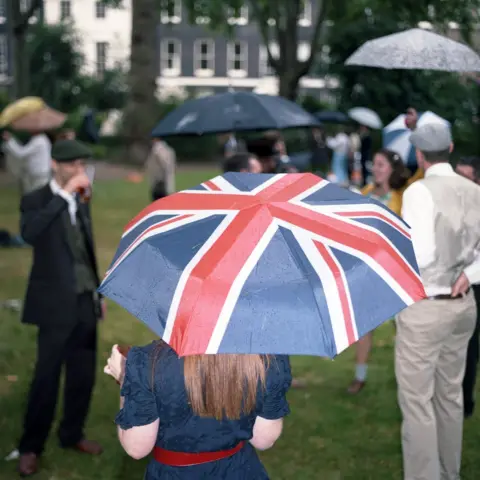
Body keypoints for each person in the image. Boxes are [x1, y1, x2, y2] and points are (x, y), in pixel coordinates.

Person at [396, 124, 480, 480]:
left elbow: (422, 254)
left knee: (418, 404)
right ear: (449, 146)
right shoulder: (473, 188)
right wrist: (473, 273)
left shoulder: (419, 192)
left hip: (426, 306)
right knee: (450, 396)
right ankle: (450, 473)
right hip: (463, 306)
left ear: (418, 155)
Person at [17, 139, 104, 477]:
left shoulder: (83, 198)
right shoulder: (35, 199)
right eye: (72, 164)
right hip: (53, 304)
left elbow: (85, 247)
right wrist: (64, 195)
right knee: (46, 377)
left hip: (85, 299)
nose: (79, 170)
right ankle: (30, 446)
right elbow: (30, 233)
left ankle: (72, 434)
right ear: (55, 164)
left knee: (82, 375)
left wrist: (98, 293)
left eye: (82, 164)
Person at [104, 341, 292, 479]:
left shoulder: (148, 361)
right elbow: (263, 439)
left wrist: (125, 381)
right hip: (240, 470)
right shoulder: (267, 359)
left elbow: (136, 447)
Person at [347, 149, 413, 394]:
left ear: (392, 169)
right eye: (374, 164)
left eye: (380, 164)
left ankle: (406, 377)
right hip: (368, 270)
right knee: (365, 326)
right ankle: (359, 377)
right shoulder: (364, 194)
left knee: (403, 326)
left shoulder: (402, 196)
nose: (375, 168)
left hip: (396, 271)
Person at [455, 155, 480, 418]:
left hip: (475, 284)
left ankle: (465, 402)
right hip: (455, 284)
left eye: (465, 177)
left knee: (470, 346)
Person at [2, 129, 52, 194]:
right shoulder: (42, 138)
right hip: (40, 172)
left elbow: (21, 153)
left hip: (39, 173)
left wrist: (9, 140)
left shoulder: (38, 140)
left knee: (35, 195)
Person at [145, 137, 176, 201]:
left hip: (159, 179)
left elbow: (163, 161)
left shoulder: (157, 149)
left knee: (158, 199)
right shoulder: (169, 149)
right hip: (164, 178)